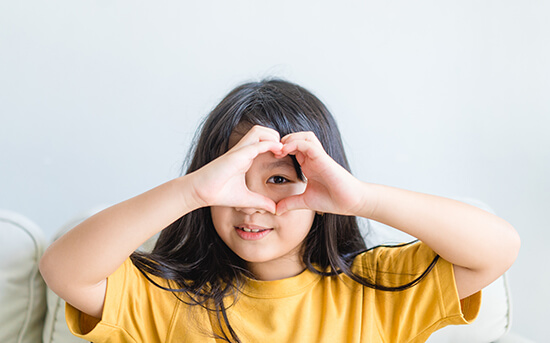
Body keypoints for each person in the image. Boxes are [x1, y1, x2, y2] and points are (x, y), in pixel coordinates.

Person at [39, 79, 520, 343]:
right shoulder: (166, 296)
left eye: (277, 180)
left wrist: (361, 199)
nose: (253, 208)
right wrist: (190, 193)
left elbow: (498, 250)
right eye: (231, 184)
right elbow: (63, 270)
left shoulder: (378, 288)